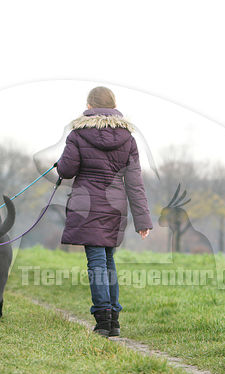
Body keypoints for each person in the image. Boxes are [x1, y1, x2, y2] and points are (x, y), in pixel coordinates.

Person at [56, 86, 153, 337]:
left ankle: (103, 319)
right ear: (114, 106)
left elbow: (66, 170)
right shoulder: (128, 139)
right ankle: (113, 319)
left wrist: (62, 160)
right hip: (114, 206)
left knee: (97, 262)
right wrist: (143, 220)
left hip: (87, 205)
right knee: (108, 261)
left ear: (89, 106)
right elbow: (134, 182)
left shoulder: (78, 135)